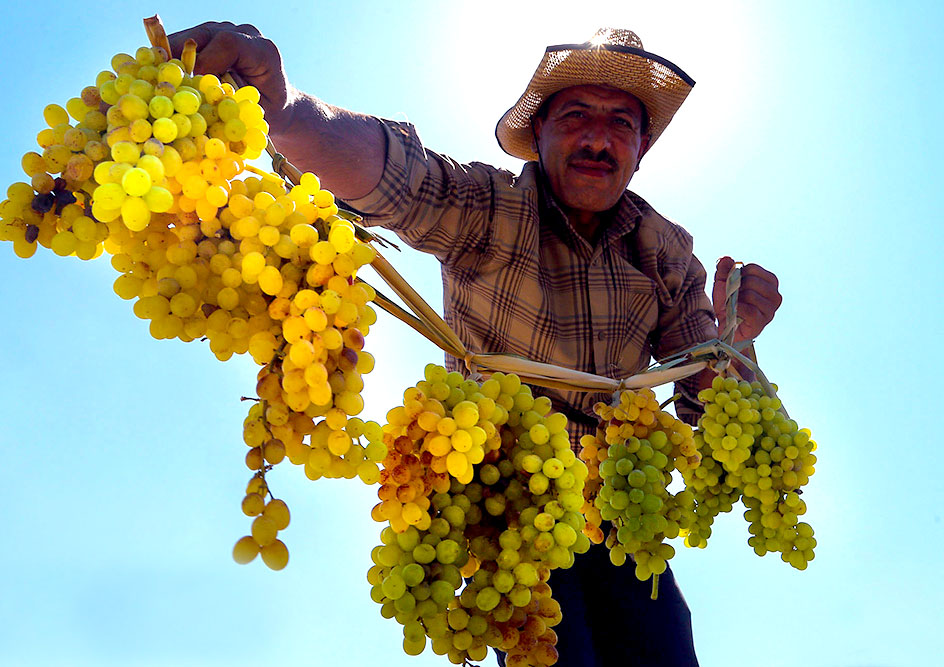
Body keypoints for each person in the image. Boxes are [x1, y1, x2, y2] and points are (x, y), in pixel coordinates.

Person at [169, 23, 782, 666]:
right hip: (508, 511)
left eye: (621, 124)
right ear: (537, 133)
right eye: (576, 116)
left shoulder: (665, 250)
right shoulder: (487, 206)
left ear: (642, 148)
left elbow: (705, 402)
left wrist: (732, 342)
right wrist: (286, 109)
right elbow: (398, 175)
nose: (599, 138)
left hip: (621, 519)